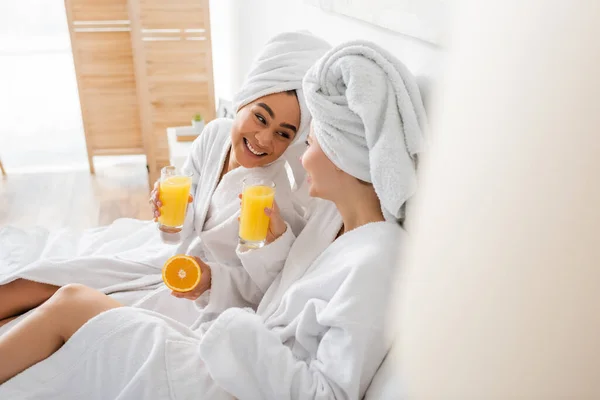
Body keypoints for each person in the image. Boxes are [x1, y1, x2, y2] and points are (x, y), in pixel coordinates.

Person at [0, 40, 427, 400]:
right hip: (225, 350)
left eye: (302, 139)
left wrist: (232, 326)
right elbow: (259, 283)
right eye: (262, 118)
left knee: (72, 302)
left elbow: (320, 384)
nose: (298, 153)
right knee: (56, 294)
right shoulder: (332, 229)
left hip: (227, 368)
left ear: (340, 155)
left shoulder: (372, 255)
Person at [0, 31, 331, 332]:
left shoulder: (275, 194)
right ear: (244, 99)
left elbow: (266, 288)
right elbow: (178, 232)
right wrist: (168, 215)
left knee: (51, 318)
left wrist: (211, 279)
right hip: (166, 261)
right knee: (34, 282)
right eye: (260, 117)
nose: (263, 139)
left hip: (197, 295)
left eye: (283, 134)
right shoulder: (215, 134)